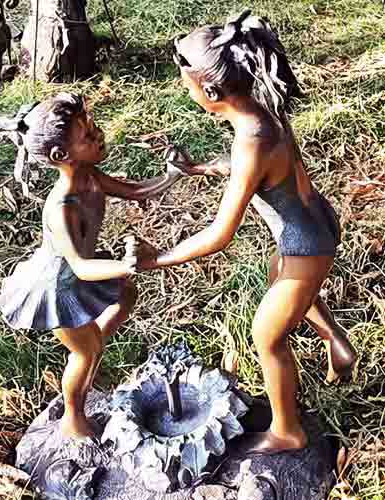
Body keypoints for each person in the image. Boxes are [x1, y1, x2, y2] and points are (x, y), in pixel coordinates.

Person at [138, 10, 357, 453]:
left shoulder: (250, 141)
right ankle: (337, 343)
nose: (187, 93)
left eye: (187, 87)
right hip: (314, 221)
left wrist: (157, 259)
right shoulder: (262, 115)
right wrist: (200, 169)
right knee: (283, 284)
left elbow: (220, 234)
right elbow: (250, 169)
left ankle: (287, 431)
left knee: (266, 336)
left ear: (211, 92)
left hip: (305, 245)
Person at [0, 92, 187, 439]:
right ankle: (73, 418)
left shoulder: (90, 176)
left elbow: (134, 191)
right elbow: (81, 267)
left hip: (79, 274)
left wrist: (172, 175)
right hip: (58, 288)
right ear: (61, 155)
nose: (99, 136)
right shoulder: (63, 208)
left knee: (125, 296)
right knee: (84, 355)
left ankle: (92, 340)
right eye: (88, 136)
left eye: (94, 127)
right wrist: (127, 264)